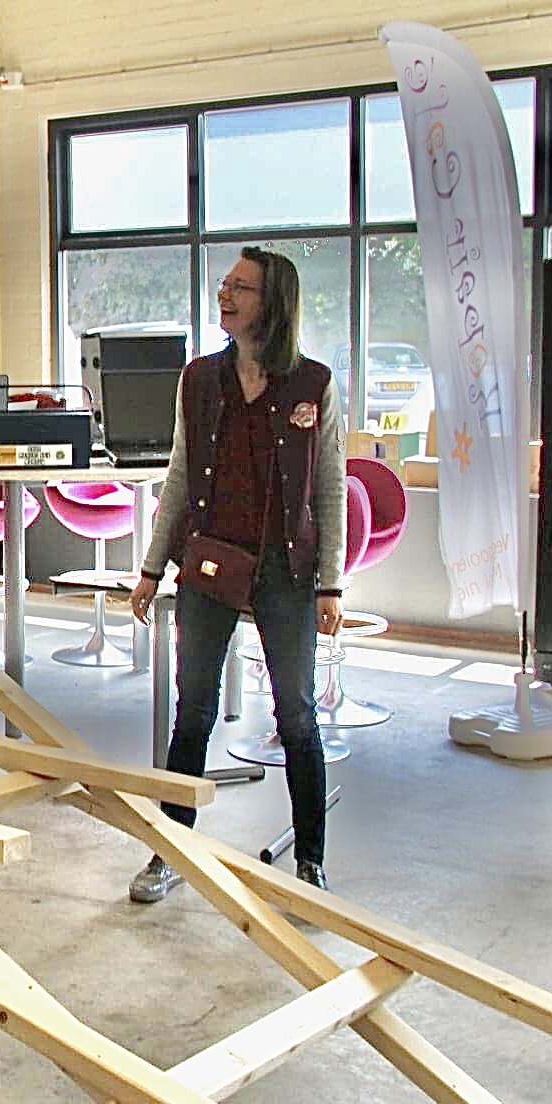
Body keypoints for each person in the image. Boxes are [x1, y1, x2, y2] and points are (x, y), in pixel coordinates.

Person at [127, 247, 346, 900]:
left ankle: (309, 862)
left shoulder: (314, 384)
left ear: (271, 302)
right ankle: (171, 851)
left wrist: (331, 583)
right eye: (224, 284)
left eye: (240, 287)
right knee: (190, 714)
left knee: (298, 717)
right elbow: (179, 477)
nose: (225, 295)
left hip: (286, 569)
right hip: (210, 561)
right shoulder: (198, 379)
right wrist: (150, 567)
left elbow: (328, 488)